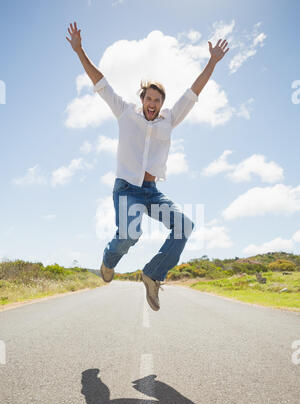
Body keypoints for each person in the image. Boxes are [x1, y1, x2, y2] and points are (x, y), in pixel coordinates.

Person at [66, 22, 229, 311]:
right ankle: (108, 260)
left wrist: (212, 62)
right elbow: (100, 83)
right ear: (141, 99)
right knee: (130, 234)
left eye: (157, 100)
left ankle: (153, 274)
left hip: (152, 192)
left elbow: (194, 91)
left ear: (162, 104)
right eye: (149, 99)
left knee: (184, 226)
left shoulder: (170, 118)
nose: (152, 103)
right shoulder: (125, 112)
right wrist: (80, 51)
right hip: (127, 188)